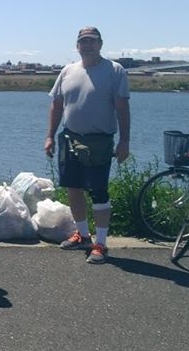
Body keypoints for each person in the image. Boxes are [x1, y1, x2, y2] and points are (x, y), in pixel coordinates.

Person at [45, 26, 130, 264]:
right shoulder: (68, 71)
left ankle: (101, 243)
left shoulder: (114, 71)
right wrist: (50, 135)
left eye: (92, 41)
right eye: (84, 42)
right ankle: (83, 235)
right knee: (73, 188)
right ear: (77, 46)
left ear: (100, 44)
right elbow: (57, 106)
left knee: (99, 192)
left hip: (99, 141)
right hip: (70, 137)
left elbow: (122, 108)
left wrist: (124, 141)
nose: (88, 45)